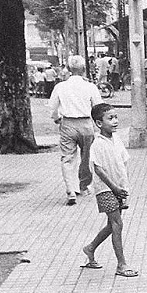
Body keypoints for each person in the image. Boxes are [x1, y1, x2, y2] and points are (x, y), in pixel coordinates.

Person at [81, 103, 138, 278]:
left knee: (112, 224)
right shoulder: (97, 144)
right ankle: (121, 265)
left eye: (116, 117)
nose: (115, 121)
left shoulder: (117, 139)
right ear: (99, 123)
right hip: (105, 189)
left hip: (119, 188)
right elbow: (98, 169)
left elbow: (123, 163)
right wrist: (114, 187)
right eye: (110, 118)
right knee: (117, 224)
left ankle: (90, 248)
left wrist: (123, 187)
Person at [48, 55, 103, 206]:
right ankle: (84, 186)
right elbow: (98, 107)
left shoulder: (60, 87)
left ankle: (70, 190)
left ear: (69, 69)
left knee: (67, 158)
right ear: (84, 69)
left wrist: (57, 119)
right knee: (87, 157)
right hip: (86, 124)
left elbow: (52, 107)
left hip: (68, 124)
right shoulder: (90, 87)